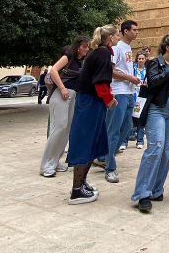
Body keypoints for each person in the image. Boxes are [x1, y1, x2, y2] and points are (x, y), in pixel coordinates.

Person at [131, 35, 169, 212]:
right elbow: (153, 82)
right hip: (157, 108)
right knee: (155, 147)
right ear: (167, 47)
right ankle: (142, 194)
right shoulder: (155, 62)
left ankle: (156, 189)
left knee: (168, 149)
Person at [66, 25, 119, 204]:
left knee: (93, 142)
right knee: (85, 142)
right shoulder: (103, 53)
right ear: (110, 37)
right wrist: (109, 99)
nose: (118, 37)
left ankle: (81, 184)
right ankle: (76, 190)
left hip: (91, 102)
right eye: (117, 34)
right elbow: (100, 82)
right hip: (90, 102)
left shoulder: (100, 52)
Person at [39, 38, 89, 178]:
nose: (86, 49)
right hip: (61, 94)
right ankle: (46, 165)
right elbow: (53, 70)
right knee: (59, 128)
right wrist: (62, 88)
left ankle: (55, 161)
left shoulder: (81, 62)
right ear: (78, 47)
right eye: (85, 46)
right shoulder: (69, 57)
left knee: (66, 130)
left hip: (72, 95)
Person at [103, 20, 141, 183]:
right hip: (118, 93)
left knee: (127, 128)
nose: (137, 32)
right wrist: (129, 77)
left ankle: (105, 155)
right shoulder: (117, 48)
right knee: (114, 130)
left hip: (129, 93)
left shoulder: (127, 48)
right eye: (134, 30)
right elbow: (109, 71)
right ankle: (109, 168)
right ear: (125, 31)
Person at [133, 51, 148, 149]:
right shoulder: (133, 69)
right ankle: (124, 142)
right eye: (139, 58)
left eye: (142, 58)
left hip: (142, 98)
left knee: (140, 119)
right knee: (130, 119)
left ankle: (140, 140)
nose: (141, 60)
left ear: (145, 59)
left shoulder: (148, 70)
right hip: (133, 96)